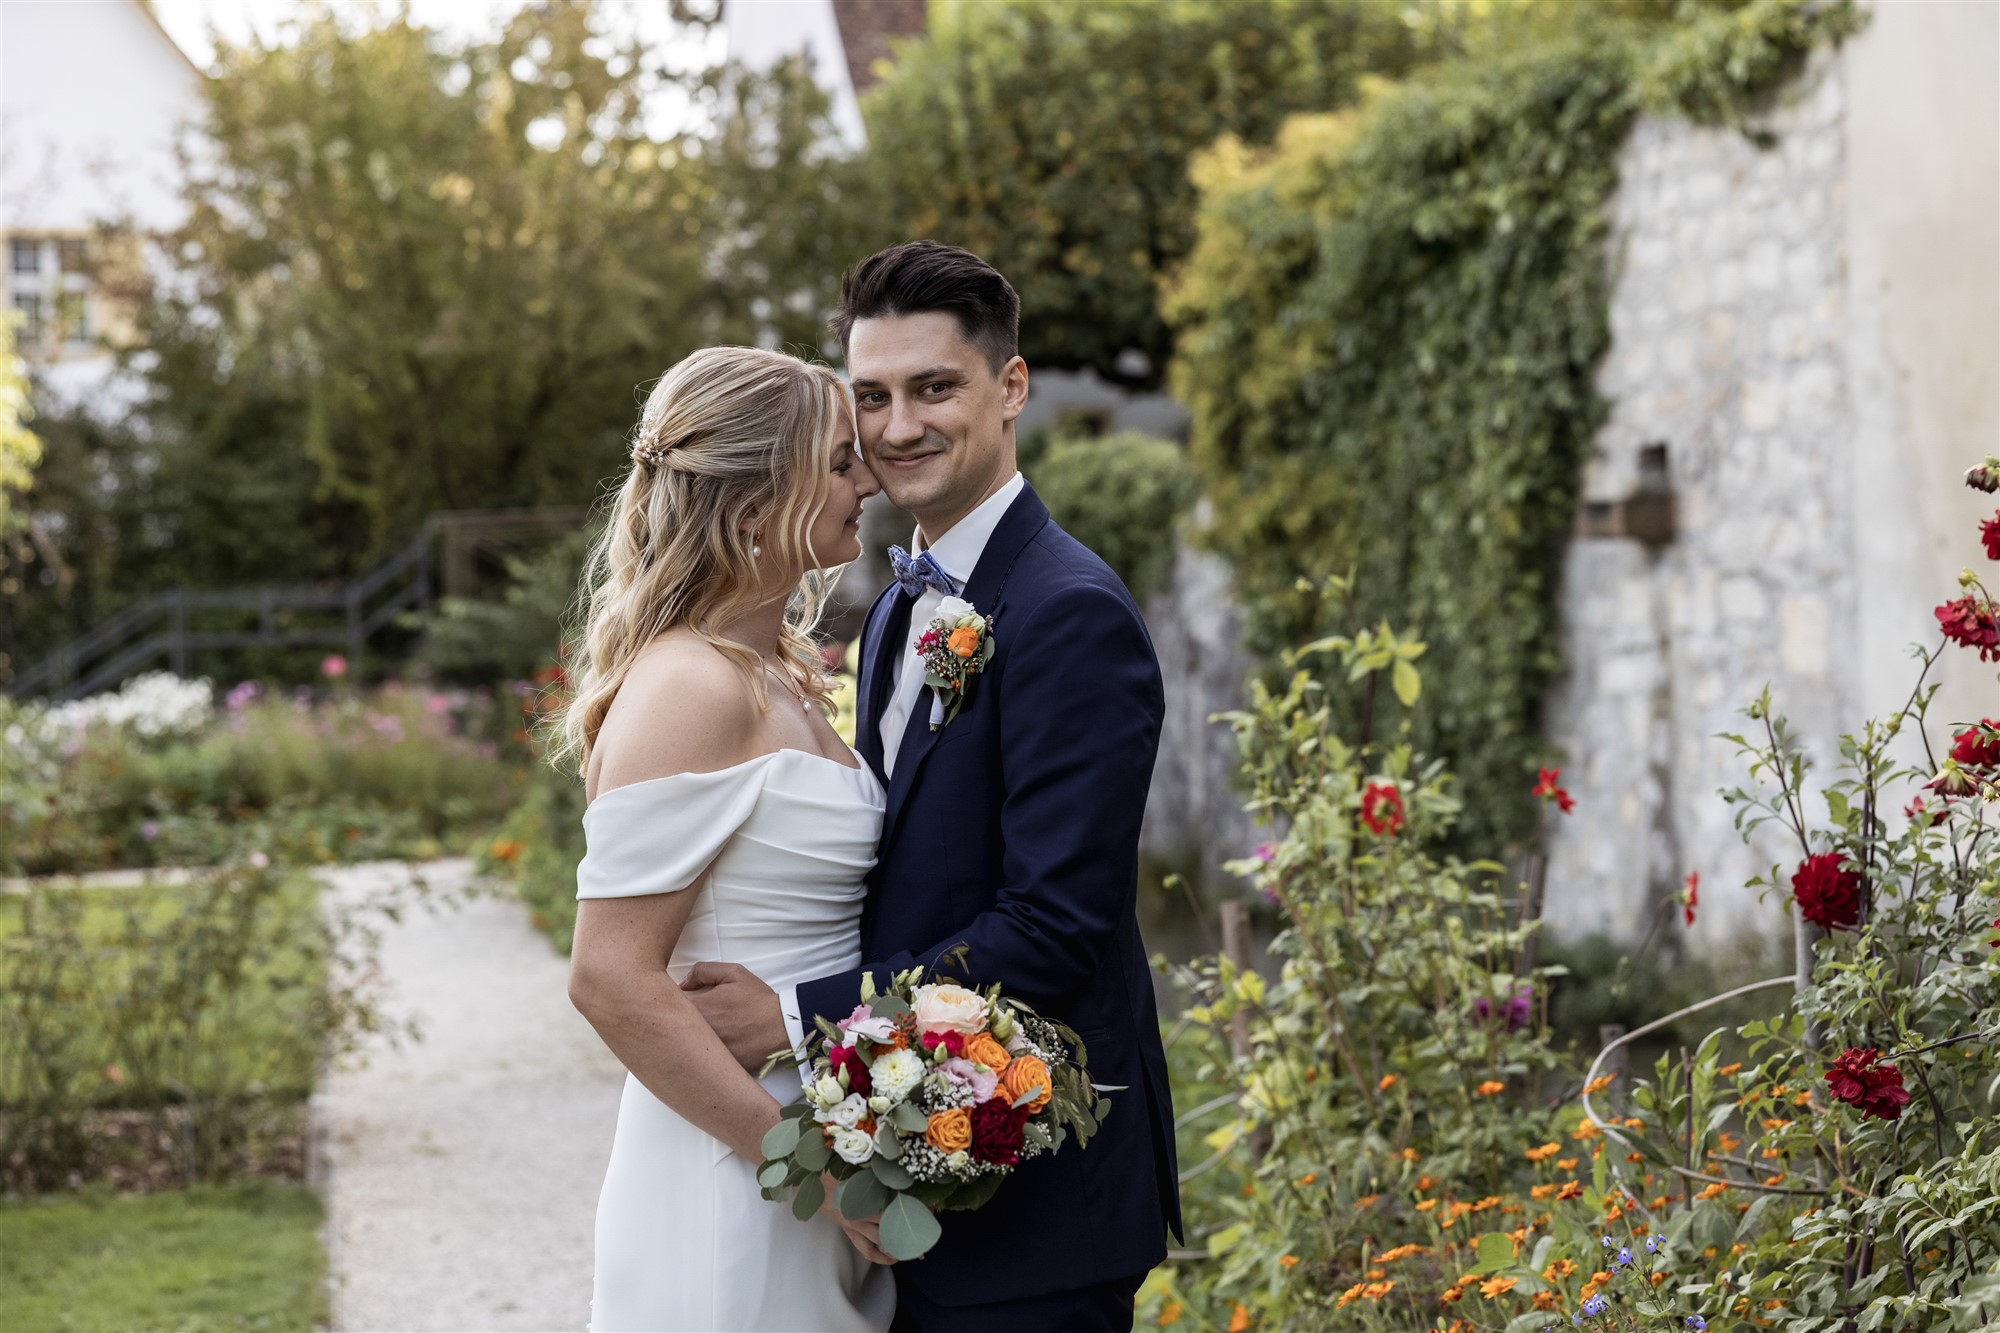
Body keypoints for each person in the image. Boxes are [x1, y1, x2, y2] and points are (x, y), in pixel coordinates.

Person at [685, 242, 1183, 1332]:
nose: (897, 425)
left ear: (1009, 389)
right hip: (915, 1178)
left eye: (933, 388)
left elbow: (1052, 923)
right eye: (871, 396)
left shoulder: (1068, 613)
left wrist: (793, 1014)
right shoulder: (899, 608)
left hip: (1034, 1199)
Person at [561, 345, 897, 1331]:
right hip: (738, 1171)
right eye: (839, 462)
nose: (866, 478)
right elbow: (610, 978)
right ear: (756, 501)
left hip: (808, 1147)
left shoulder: (783, 672)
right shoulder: (688, 685)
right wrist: (815, 1168)